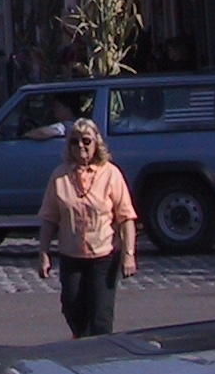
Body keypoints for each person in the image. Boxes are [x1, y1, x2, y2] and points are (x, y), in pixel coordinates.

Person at [36, 119, 138, 338]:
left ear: (96, 144)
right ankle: (83, 343)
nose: (80, 146)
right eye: (74, 141)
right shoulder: (60, 175)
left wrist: (129, 254)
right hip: (71, 255)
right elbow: (49, 217)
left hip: (104, 255)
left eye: (86, 141)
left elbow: (126, 217)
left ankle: (100, 352)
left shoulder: (110, 174)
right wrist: (43, 253)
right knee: (72, 307)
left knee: (101, 316)